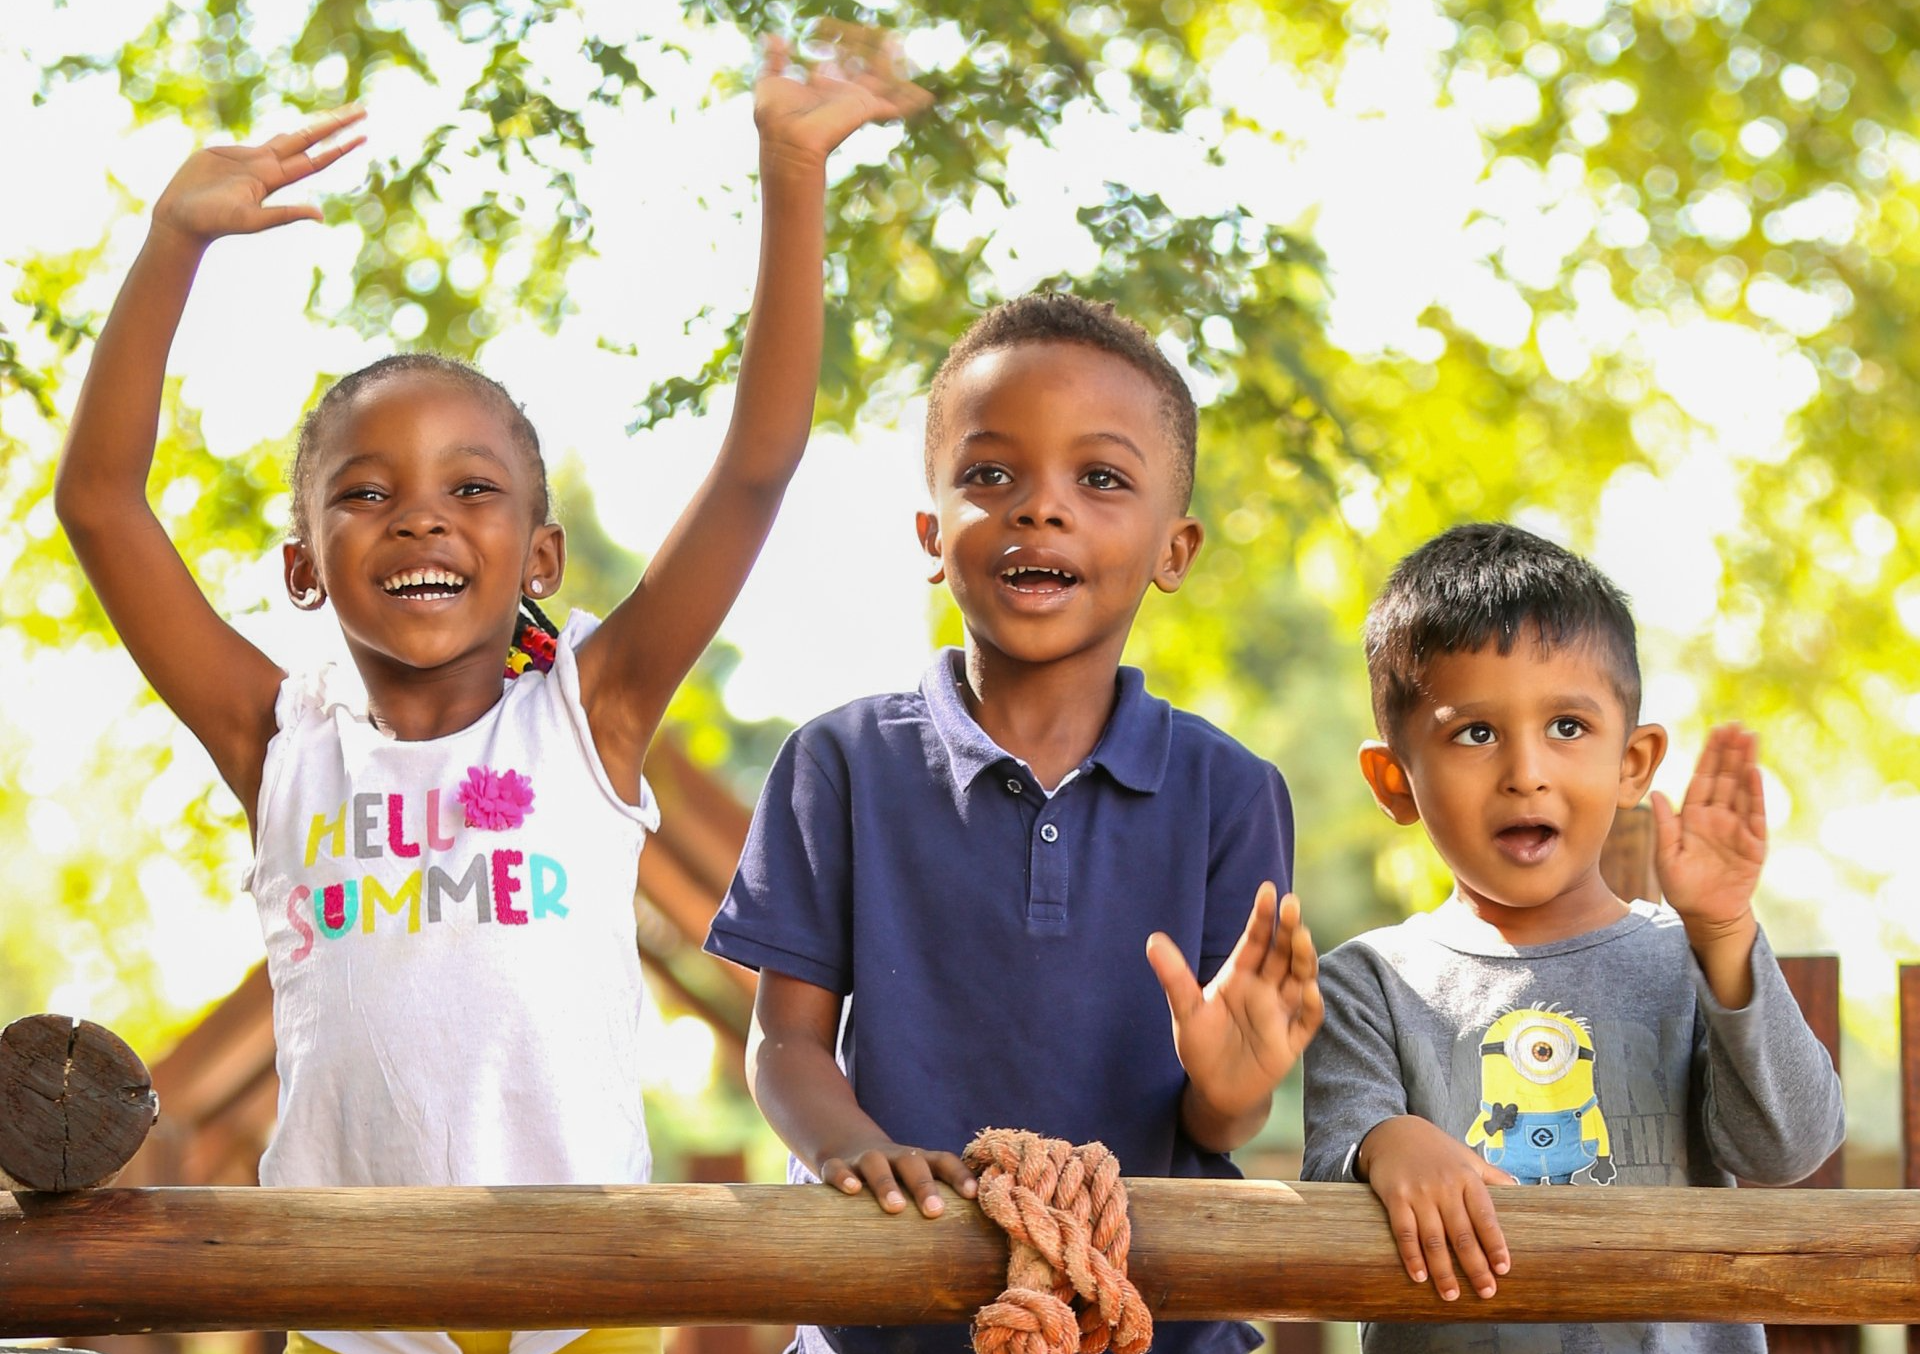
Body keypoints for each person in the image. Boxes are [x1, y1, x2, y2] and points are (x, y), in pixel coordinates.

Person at [53, 39, 926, 1354]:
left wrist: (791, 168)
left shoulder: (590, 714)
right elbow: (100, 502)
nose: (421, 518)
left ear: (542, 556)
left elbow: (756, 465)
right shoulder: (280, 742)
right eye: (366, 491)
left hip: (591, 1302)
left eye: (472, 489)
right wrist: (174, 239)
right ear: (301, 565)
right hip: (341, 1311)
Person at [705, 292, 1325, 1354]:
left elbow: (1221, 1122)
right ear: (932, 535)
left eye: (1101, 478)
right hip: (890, 1323)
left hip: (1149, 1330)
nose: (1042, 508)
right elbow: (785, 1042)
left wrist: (1234, 1086)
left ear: (1174, 549)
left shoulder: (1232, 790)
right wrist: (853, 1147)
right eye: (990, 475)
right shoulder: (840, 764)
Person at [1302, 522, 1845, 1354]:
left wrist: (1727, 933)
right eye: (1475, 733)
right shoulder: (1369, 982)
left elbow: (1790, 1148)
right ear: (1394, 780)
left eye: (1567, 727)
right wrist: (1384, 1140)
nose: (1527, 770)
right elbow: (1329, 1190)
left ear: (1633, 763)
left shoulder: (1686, 960)